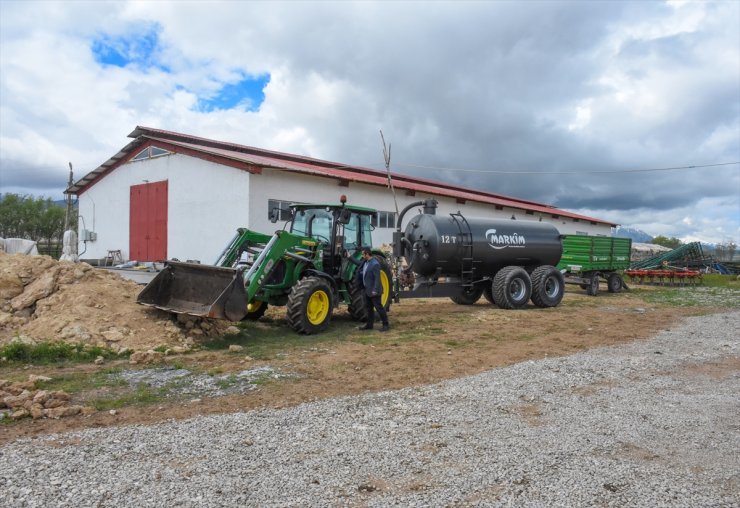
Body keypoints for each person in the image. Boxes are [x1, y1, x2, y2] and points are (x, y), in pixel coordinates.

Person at [348, 247, 390, 331]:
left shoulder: (375, 264)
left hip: (374, 291)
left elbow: (377, 279)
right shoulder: (365, 262)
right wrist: (350, 257)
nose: (362, 256)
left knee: (379, 308)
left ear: (367, 254)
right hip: (367, 290)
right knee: (369, 308)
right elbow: (358, 263)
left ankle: (385, 324)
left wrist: (375, 290)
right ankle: (369, 325)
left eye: (363, 254)